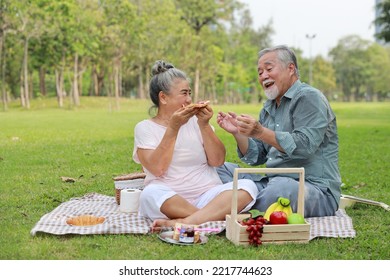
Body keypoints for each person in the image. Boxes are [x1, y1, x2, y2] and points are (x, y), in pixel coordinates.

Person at [216, 45, 341, 218]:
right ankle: (237, 200)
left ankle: (226, 202)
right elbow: (257, 156)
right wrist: (239, 133)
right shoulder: (269, 107)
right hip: (270, 182)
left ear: (290, 68)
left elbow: (304, 146)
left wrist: (260, 132)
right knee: (218, 169)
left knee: (280, 190)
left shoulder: (309, 98)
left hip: (313, 189)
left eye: (268, 69)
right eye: (260, 73)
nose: (263, 76)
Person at [132, 60, 258, 229]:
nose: (189, 99)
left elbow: (217, 161)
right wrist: (173, 127)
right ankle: (214, 216)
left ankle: (186, 222)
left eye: (189, 93)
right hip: (169, 198)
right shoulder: (144, 128)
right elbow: (157, 169)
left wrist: (204, 125)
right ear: (163, 97)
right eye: (184, 93)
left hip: (208, 195)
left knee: (247, 187)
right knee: (149, 194)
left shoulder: (197, 123)